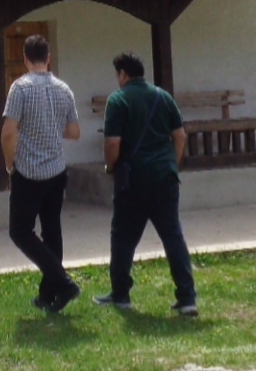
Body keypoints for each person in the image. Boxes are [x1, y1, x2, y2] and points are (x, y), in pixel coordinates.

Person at [95, 51, 195, 316]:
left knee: (123, 236)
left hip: (134, 180)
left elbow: (112, 143)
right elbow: (180, 136)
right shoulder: (163, 96)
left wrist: (111, 167)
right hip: (166, 177)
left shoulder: (118, 100)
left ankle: (120, 294)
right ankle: (187, 297)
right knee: (172, 236)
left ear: (123, 74)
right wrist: (171, 163)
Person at [1, 32, 83, 312]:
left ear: (25, 58)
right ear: (48, 58)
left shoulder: (20, 89)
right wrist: (51, 127)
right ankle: (48, 295)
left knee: (20, 231)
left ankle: (64, 283)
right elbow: (74, 132)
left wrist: (9, 164)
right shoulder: (64, 89)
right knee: (52, 230)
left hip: (28, 171)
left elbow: (8, 133)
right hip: (56, 170)